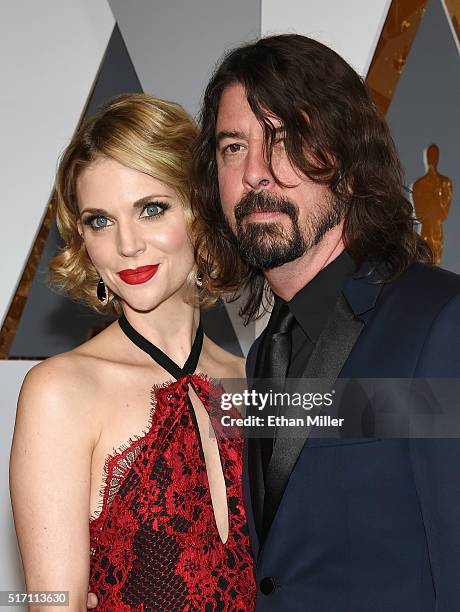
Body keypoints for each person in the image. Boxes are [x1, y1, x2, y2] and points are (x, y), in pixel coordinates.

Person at [191, 34, 460, 610]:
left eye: (285, 140)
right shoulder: (266, 353)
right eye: (233, 147)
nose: (256, 173)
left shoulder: (441, 322)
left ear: (349, 161)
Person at [10, 93, 256, 611]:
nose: (127, 245)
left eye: (151, 209)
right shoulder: (61, 391)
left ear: (201, 209)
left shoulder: (252, 380)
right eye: (100, 220)